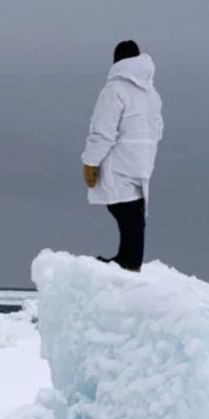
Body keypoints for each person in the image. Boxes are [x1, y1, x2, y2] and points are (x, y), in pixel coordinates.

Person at [81, 40, 163, 272]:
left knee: (123, 207)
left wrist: (90, 161)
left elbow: (103, 130)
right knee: (133, 207)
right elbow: (158, 128)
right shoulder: (151, 93)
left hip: (120, 157)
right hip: (143, 158)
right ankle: (127, 257)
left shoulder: (114, 90)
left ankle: (129, 262)